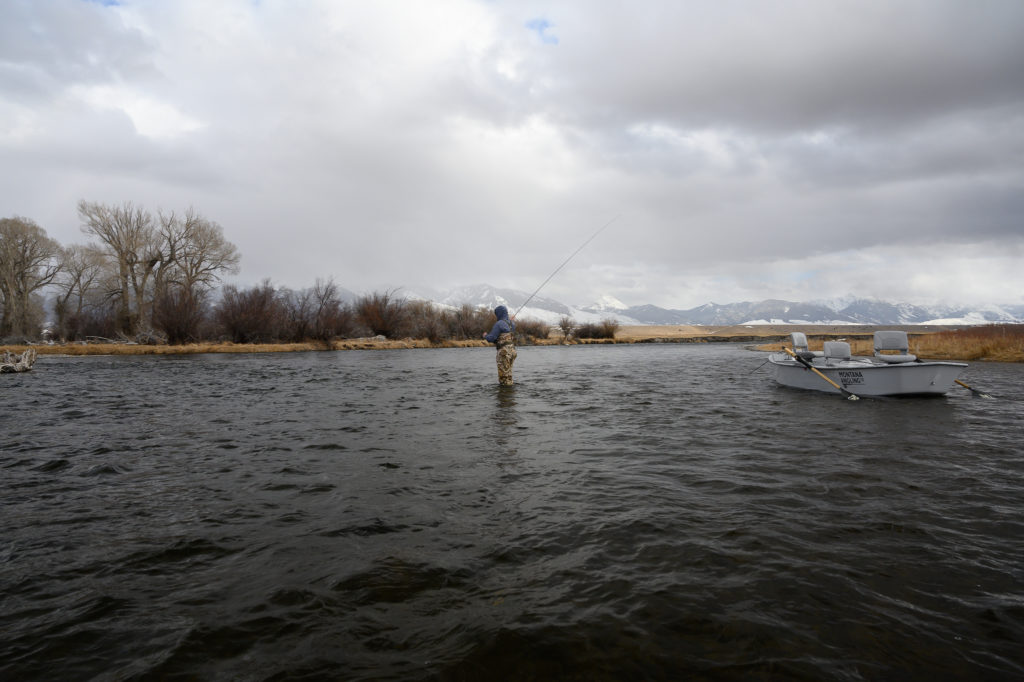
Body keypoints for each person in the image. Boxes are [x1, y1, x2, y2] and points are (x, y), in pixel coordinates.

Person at [483, 305, 517, 385]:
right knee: (508, 375)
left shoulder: (499, 324)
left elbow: (491, 338)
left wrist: (485, 336)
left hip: (504, 353)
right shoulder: (512, 323)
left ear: (499, 314)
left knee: (503, 377)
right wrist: (511, 321)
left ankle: (504, 395)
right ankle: (510, 394)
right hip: (512, 352)